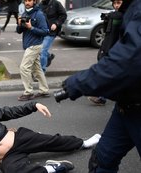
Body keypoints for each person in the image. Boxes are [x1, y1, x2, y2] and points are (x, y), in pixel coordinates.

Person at [53, 0, 141, 172]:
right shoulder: (129, 8)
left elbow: (129, 60)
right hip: (125, 107)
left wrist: (79, 83)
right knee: (101, 161)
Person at [88, 0, 123, 106]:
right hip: (108, 48)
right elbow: (108, 33)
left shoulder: (122, 17)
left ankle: (103, 97)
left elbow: (116, 35)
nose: (116, 5)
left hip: (116, 51)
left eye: (119, 3)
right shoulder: (113, 15)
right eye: (115, 3)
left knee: (109, 73)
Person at [16, 0, 50, 101]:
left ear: (34, 1)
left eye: (29, 0)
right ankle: (44, 90)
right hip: (28, 44)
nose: (27, 2)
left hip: (35, 45)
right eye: (25, 0)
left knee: (24, 67)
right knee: (37, 69)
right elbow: (19, 31)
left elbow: (45, 31)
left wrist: (31, 28)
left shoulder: (39, 14)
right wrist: (19, 24)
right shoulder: (24, 13)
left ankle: (28, 92)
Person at [39, 0, 67, 72]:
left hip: (51, 32)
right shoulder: (40, 5)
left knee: (42, 51)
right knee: (40, 50)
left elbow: (63, 15)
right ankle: (48, 57)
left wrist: (56, 23)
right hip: (42, 31)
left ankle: (41, 72)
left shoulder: (56, 3)